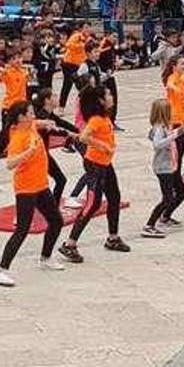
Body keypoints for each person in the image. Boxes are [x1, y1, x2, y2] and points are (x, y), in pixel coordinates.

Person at [0, 101, 68, 286]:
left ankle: (46, 257)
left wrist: (48, 123)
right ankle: (2, 270)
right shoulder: (19, 136)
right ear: (21, 117)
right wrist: (28, 152)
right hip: (26, 189)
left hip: (41, 186)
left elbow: (39, 123)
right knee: (22, 229)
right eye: (31, 113)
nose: (34, 115)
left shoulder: (30, 125)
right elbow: (10, 163)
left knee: (56, 221)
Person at [59, 85, 129, 261]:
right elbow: (83, 137)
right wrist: (101, 145)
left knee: (114, 197)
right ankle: (69, 244)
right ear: (101, 100)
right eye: (108, 95)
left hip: (105, 164)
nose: (112, 96)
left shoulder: (105, 117)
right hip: (95, 165)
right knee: (92, 204)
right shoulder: (96, 119)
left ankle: (113, 238)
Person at [0, 48, 31, 174]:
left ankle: (22, 157)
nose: (18, 61)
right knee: (5, 135)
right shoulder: (7, 72)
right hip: (9, 108)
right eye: (14, 59)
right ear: (9, 62)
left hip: (23, 107)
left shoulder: (25, 71)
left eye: (19, 57)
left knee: (26, 131)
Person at [144, 99, 184, 237]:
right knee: (167, 197)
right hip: (164, 168)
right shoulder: (159, 128)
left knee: (182, 192)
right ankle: (149, 224)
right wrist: (175, 134)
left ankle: (166, 216)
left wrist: (174, 131)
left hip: (171, 166)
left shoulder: (165, 126)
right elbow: (157, 144)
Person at [59, 22, 91, 108]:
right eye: (86, 27)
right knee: (68, 84)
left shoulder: (88, 39)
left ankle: (85, 103)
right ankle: (62, 106)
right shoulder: (77, 36)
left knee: (82, 84)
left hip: (78, 65)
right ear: (81, 28)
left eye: (89, 27)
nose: (88, 29)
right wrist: (82, 45)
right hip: (69, 63)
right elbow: (68, 45)